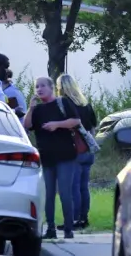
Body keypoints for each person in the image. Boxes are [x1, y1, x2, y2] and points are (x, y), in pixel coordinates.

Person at [23, 76, 80, 240]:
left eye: (42, 86)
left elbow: (75, 121)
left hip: (65, 155)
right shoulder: (38, 110)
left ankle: (69, 228)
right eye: (36, 87)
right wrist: (31, 108)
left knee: (64, 192)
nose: (39, 89)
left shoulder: (63, 103)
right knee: (48, 194)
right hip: (46, 157)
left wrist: (57, 124)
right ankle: (50, 229)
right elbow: (26, 126)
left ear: (51, 88)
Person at [56, 73, 98, 229]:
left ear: (60, 87)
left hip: (73, 149)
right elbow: (94, 126)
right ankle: (83, 219)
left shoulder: (64, 103)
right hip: (88, 148)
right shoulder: (85, 103)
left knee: (72, 186)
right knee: (83, 186)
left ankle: (74, 220)